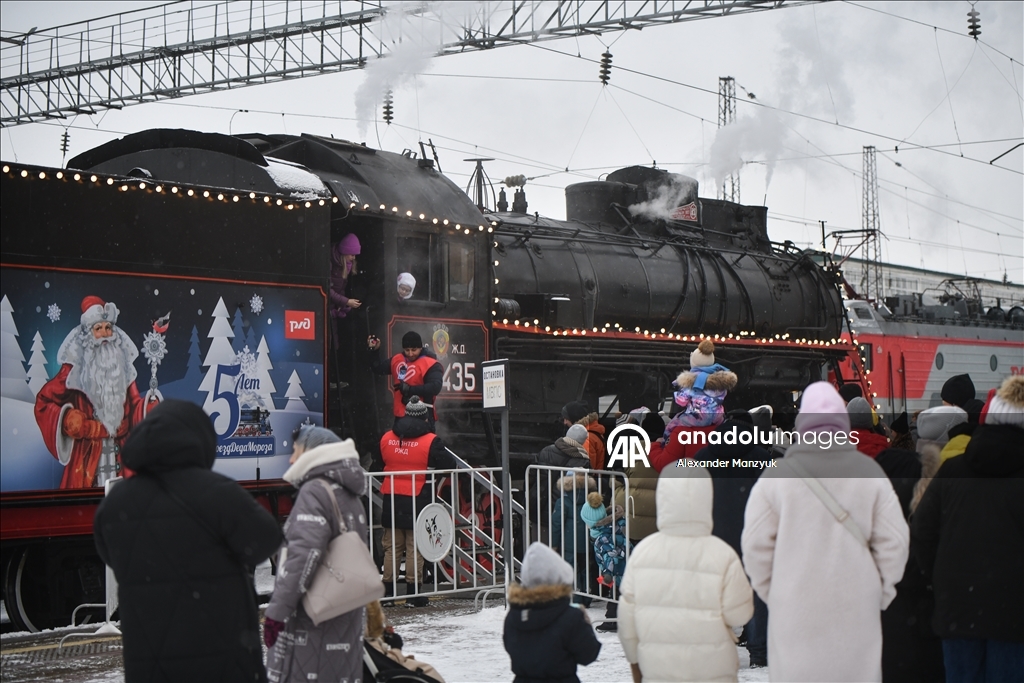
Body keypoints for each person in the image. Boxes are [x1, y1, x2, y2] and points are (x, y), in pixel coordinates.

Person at [93, 400, 282, 682]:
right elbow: (267, 539)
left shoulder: (114, 504)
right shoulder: (218, 492)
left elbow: (110, 555)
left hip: (151, 664)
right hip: (222, 659)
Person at [741, 381, 910, 682]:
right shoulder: (870, 472)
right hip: (857, 608)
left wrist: (777, 593)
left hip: (795, 611)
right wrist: (879, 594)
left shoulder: (776, 476)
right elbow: (895, 543)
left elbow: (754, 547)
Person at [912, 375, 1024, 682]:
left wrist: (936, 575)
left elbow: (922, 530)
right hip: (1014, 615)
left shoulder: (953, 470)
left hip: (957, 609)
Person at [618, 466, 754, 683]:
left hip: (659, 669)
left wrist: (635, 659)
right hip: (712, 669)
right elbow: (740, 614)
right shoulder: (722, 553)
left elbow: (626, 618)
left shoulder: (644, 552)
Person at [264, 425, 370, 683]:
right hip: (344, 614)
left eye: (295, 451)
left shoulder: (315, 492)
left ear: (313, 453)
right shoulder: (348, 493)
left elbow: (302, 558)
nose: (290, 459)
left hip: (313, 623)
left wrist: (276, 613)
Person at [35, 295, 157, 488]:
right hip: (85, 462)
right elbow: (43, 402)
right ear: (88, 334)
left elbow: (135, 409)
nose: (105, 334)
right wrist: (67, 419)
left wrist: (149, 407)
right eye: (98, 328)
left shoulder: (122, 368)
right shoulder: (73, 370)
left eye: (108, 328)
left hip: (121, 461)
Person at [693, 412, 774, 669]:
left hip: (714, 537)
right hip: (753, 537)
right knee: (756, 595)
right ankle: (759, 651)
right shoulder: (762, 459)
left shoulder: (702, 459)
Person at [378, 396, 453, 606]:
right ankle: (412, 593)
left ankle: (388, 595)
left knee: (392, 547)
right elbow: (450, 463)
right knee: (414, 547)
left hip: (391, 499)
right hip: (418, 500)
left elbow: (379, 460)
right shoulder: (431, 441)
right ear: (424, 416)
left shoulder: (386, 438)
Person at [503, 542, 601, 683]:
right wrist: (585, 624)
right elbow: (588, 655)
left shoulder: (514, 617)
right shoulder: (570, 617)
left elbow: (512, 648)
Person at [648, 340, 737, 472]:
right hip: (716, 417)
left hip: (696, 417)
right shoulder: (719, 382)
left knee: (672, 425)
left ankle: (664, 441)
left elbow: (681, 401)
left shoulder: (691, 381)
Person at [369, 331, 443, 426]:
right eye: (407, 350)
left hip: (423, 416)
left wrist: (410, 390)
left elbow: (435, 387)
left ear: (420, 348)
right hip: (401, 416)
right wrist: (374, 351)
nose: (410, 354)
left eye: (414, 350)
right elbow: (378, 368)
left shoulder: (431, 364)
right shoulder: (397, 360)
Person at [550, 469, 598, 607]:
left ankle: (576, 598)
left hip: (570, 542)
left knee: (572, 569)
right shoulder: (591, 500)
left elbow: (556, 524)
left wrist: (554, 544)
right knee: (586, 569)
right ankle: (587, 596)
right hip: (588, 541)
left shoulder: (563, 501)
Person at [561, 400, 607, 470]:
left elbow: (585, 468)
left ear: (575, 418)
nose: (565, 422)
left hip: (585, 480)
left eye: (566, 419)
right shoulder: (593, 432)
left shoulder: (585, 438)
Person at [330, 233, 362, 320]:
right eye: (352, 255)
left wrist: (341, 306)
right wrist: (346, 301)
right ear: (345, 252)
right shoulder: (330, 263)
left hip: (332, 308)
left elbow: (340, 289)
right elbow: (326, 289)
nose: (354, 258)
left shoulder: (345, 265)